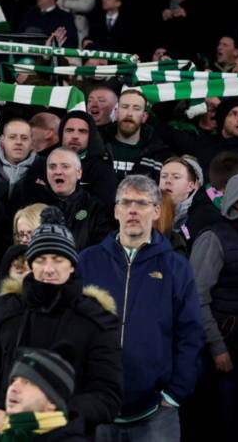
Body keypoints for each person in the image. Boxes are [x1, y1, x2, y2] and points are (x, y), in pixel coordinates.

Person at [0, 207, 121, 439]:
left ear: (71, 265)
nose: (49, 269)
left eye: (58, 260)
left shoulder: (96, 319)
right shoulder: (6, 311)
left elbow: (108, 395)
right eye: (40, 260)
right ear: (31, 264)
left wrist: (58, 417)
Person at [77, 175, 204, 442]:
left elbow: (191, 333)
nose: (133, 210)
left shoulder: (176, 267)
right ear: (115, 210)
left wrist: (175, 393)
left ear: (157, 211)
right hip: (96, 406)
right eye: (125, 202)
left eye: (142, 203)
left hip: (156, 412)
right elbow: (69, 325)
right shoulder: (88, 261)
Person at [187, 171, 238, 441]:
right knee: (221, 427)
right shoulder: (214, 237)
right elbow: (196, 296)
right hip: (222, 357)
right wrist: (217, 349)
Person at [0, 349, 89, 442]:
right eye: (13, 381)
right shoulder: (3, 437)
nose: (13, 388)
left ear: (52, 402)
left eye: (27, 382)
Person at [101, 90, 171, 181]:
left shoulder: (158, 155)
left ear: (144, 117)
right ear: (116, 113)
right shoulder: (98, 146)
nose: (129, 113)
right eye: (125, 107)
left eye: (136, 108)